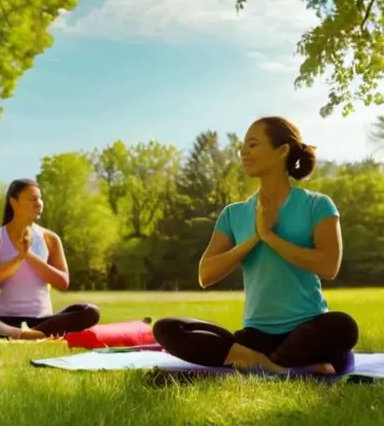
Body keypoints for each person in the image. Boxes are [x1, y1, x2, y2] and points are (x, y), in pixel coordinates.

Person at [153, 116, 359, 375]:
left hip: (307, 330)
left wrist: (271, 236)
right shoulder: (234, 213)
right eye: (243, 146)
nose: (243, 152)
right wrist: (254, 238)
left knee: (343, 327)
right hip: (256, 336)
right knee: (168, 328)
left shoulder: (317, 205)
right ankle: (278, 366)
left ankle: (261, 363)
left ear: (282, 151)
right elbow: (205, 275)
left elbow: (329, 266)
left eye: (252, 144)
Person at [0, 178, 101, 339]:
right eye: (32, 199)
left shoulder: (50, 238)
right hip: (3, 320)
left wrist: (29, 256)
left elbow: (63, 282)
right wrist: (18, 258)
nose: (39, 203)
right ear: (14, 202)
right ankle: (16, 333)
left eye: (40, 198)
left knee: (89, 311)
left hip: (43, 320)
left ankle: (32, 333)